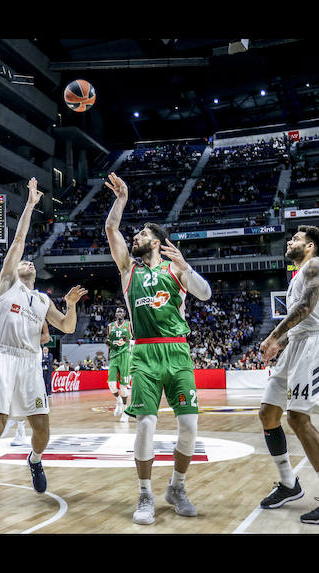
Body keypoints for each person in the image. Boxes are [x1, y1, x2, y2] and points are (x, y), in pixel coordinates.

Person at [0, 177, 87, 515]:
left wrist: (72, 304)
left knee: (43, 429)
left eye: (31, 262)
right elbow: (19, 239)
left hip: (31, 361)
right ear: (14, 270)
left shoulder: (42, 300)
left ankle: (34, 459)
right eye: (22, 261)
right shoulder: (7, 286)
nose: (27, 261)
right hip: (4, 358)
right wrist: (31, 204)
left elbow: (67, 327)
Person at [103, 172, 212, 525]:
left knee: (190, 427)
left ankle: (177, 487)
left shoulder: (175, 270)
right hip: (145, 354)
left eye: (144, 234)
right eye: (137, 234)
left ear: (159, 241)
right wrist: (121, 200)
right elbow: (111, 231)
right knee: (146, 425)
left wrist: (186, 267)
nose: (137, 236)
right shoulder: (128, 270)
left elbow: (206, 294)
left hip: (178, 352)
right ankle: (145, 494)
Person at [257, 226, 319, 525]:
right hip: (297, 344)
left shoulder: (316, 265)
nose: (290, 242)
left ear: (310, 246)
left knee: (298, 418)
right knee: (267, 413)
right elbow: (300, 321)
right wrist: (282, 344)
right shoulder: (296, 276)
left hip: (315, 345)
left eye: (296, 239)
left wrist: (274, 336)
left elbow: (307, 307)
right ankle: (289, 483)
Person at [1, 323, 52, 447]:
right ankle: (19, 433)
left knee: (30, 408)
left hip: (31, 375)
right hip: (23, 371)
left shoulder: (35, 347)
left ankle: (14, 425)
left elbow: (46, 337)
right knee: (21, 404)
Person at [106, 307, 132, 423]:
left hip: (125, 356)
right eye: (117, 311)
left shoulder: (129, 325)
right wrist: (108, 346)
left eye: (121, 311)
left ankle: (126, 412)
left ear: (124, 314)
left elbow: (135, 341)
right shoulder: (110, 326)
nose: (119, 313)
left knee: (123, 387)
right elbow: (109, 341)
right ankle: (119, 401)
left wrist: (127, 341)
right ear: (115, 314)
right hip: (113, 356)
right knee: (111, 384)